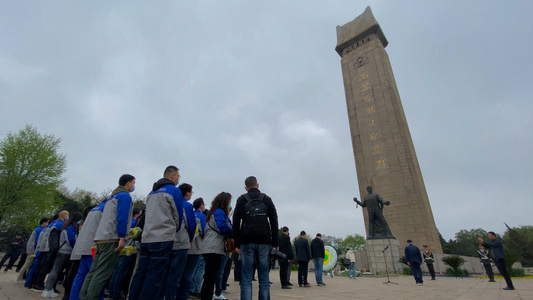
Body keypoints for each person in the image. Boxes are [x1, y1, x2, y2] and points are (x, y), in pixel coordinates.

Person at [128, 166, 184, 300]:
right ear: (172, 176)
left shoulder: (151, 192)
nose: (178, 179)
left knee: (141, 273)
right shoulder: (174, 191)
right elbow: (177, 214)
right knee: (155, 276)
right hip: (163, 237)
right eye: (178, 176)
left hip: (147, 237)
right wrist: (174, 228)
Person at [80, 174, 135, 300]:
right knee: (102, 273)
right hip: (111, 238)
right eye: (133, 182)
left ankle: (83, 296)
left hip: (101, 238)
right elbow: (122, 217)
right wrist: (122, 237)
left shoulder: (112, 198)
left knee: (93, 271)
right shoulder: (125, 197)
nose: (133, 186)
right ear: (128, 183)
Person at [233, 176, 279, 300]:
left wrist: (237, 243)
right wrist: (275, 242)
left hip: (247, 241)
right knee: (264, 278)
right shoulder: (267, 199)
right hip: (264, 241)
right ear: (257, 185)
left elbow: (236, 222)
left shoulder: (241, 200)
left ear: (246, 187)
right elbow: (274, 221)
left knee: (247, 277)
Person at [69, 201, 107, 300]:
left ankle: (74, 298)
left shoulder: (94, 210)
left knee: (80, 276)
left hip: (85, 247)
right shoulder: (105, 210)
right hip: (94, 248)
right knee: (97, 276)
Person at [165, 183, 196, 300]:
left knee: (166, 273)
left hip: (167, 241)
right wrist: (191, 238)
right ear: (187, 193)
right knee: (177, 274)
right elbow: (191, 225)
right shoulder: (187, 206)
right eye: (191, 192)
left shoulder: (170, 202)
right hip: (181, 242)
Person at [200, 192, 233, 300]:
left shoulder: (214, 212)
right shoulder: (219, 212)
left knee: (210, 276)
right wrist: (233, 233)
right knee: (210, 277)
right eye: (229, 202)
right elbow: (222, 226)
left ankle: (206, 296)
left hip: (210, 247)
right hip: (213, 248)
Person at [42, 212, 83, 298]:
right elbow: (71, 240)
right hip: (65, 251)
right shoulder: (70, 228)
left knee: (56, 270)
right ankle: (49, 289)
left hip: (62, 251)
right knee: (56, 270)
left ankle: (48, 289)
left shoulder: (66, 226)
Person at [108, 207, 142, 300]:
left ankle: (112, 291)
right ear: (137, 214)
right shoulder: (133, 223)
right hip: (128, 249)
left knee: (117, 271)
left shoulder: (127, 222)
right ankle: (117, 293)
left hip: (121, 248)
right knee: (121, 272)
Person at [31, 210, 69, 291]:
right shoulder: (60, 224)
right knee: (46, 267)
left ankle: (36, 283)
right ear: (65, 216)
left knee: (42, 266)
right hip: (51, 248)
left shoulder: (54, 224)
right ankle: (39, 284)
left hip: (45, 247)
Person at [16, 218, 49, 283]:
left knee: (29, 264)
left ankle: (25, 278)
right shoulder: (39, 230)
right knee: (27, 263)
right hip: (33, 249)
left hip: (31, 249)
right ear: (44, 222)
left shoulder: (38, 229)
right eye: (47, 222)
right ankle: (19, 278)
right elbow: (37, 241)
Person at [188, 198, 207, 299]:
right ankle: (196, 289)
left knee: (189, 270)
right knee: (199, 269)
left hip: (188, 246)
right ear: (201, 205)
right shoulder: (202, 216)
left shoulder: (190, 214)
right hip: (199, 246)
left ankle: (188, 289)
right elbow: (204, 232)